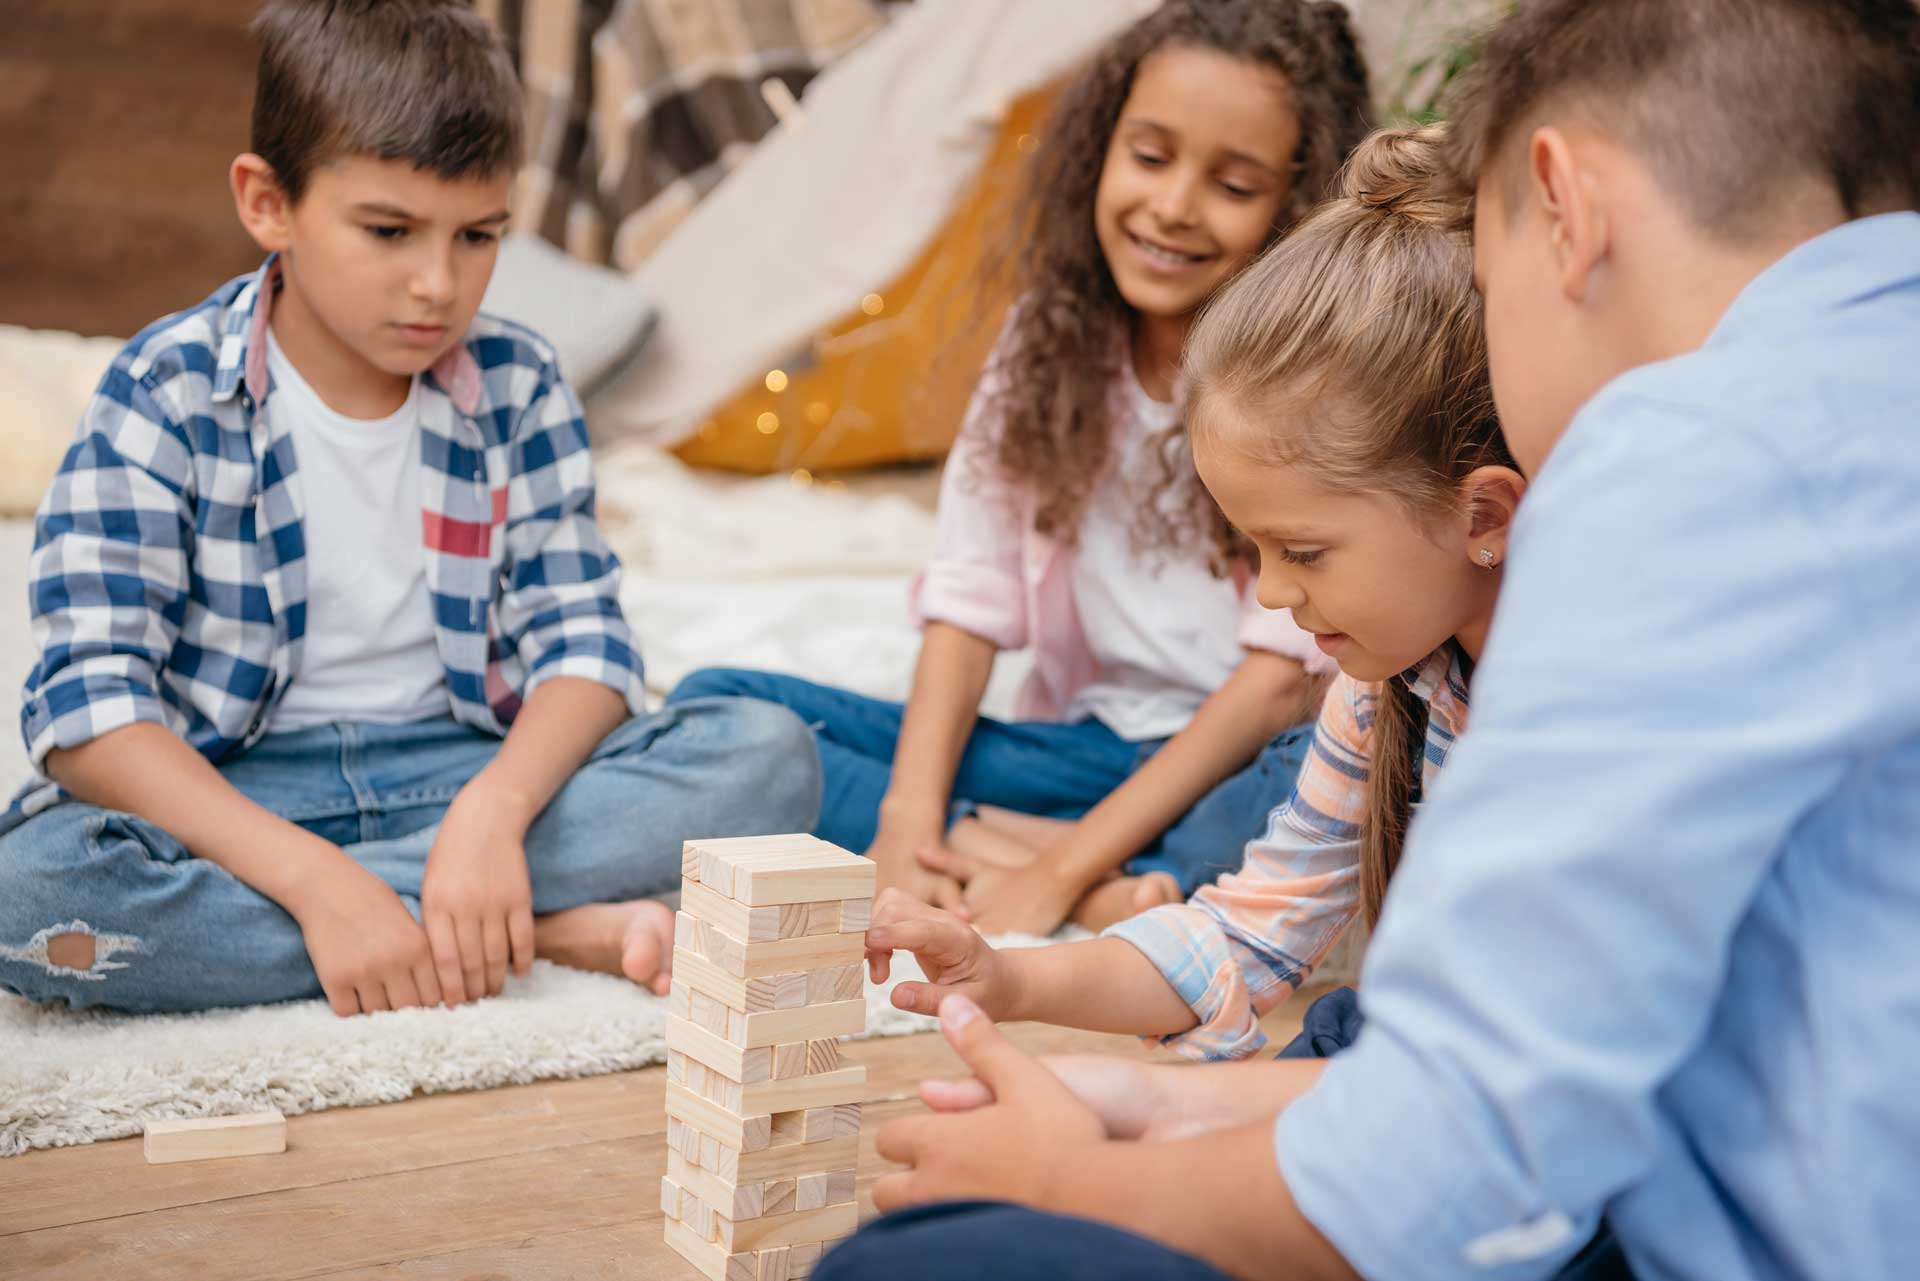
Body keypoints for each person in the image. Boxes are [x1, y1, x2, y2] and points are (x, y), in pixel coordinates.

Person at [822, 2, 1920, 1279]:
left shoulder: (1686, 460)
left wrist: (1091, 1170)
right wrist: (1105, 1068)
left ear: (1563, 205)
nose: (1279, 599)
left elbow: (1465, 1161)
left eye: (1494, 284)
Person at [0, 0, 820, 1017]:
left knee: (769, 757)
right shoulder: (162, 390)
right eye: (389, 231)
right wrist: (310, 877)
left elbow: (586, 649)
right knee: (30, 896)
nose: (438, 284)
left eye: (478, 236)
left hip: (463, 776)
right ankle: (529, 930)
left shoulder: (518, 385)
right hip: (248, 792)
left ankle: (419, 913)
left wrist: (495, 816)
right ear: (267, 203)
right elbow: (88, 710)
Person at [669, 0, 1373, 936]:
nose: (1171, 207)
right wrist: (907, 822)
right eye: (1150, 157)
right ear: (1100, 148)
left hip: (1241, 756)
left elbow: (1280, 681)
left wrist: (1056, 874)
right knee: (721, 708)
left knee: (1331, 787)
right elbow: (971, 592)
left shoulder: (1313, 372)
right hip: (1077, 753)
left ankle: (1067, 867)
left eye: (1233, 185)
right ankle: (1009, 856)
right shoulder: (1051, 339)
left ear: (1298, 205)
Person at [862, 127, 1519, 1068]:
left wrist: (1164, 1125)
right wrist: (1006, 980)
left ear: (1484, 514)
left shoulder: (1589, 710)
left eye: (1302, 550)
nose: (1276, 593)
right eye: (1254, 550)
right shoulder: (1384, 692)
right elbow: (1243, 938)